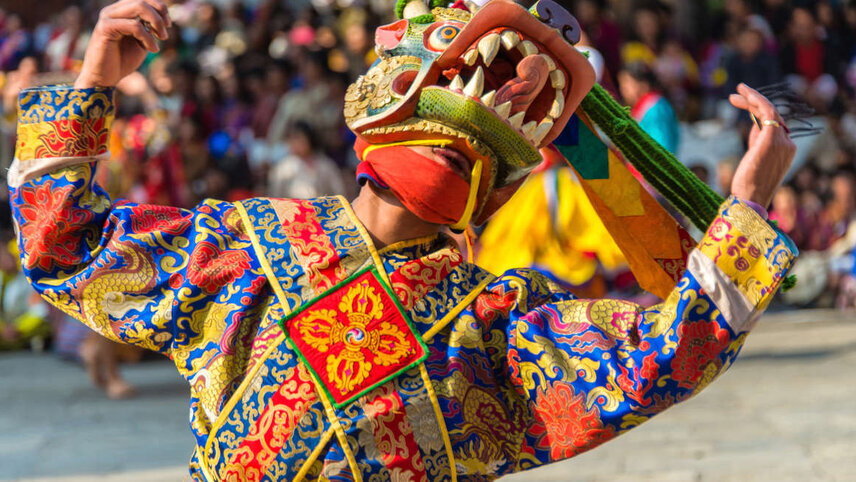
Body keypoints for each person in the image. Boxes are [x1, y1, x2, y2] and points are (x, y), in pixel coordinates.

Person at [9, 0, 797, 480]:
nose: (467, 134)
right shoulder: (243, 245)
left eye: (491, 134)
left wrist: (748, 206)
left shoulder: (496, 325)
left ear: (504, 183)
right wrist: (94, 80)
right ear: (372, 106)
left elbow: (667, 351)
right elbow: (63, 246)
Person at [618, 61, 682, 153]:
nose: (623, 88)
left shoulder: (655, 108)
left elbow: (661, 148)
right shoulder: (642, 108)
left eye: (627, 83)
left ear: (643, 85)